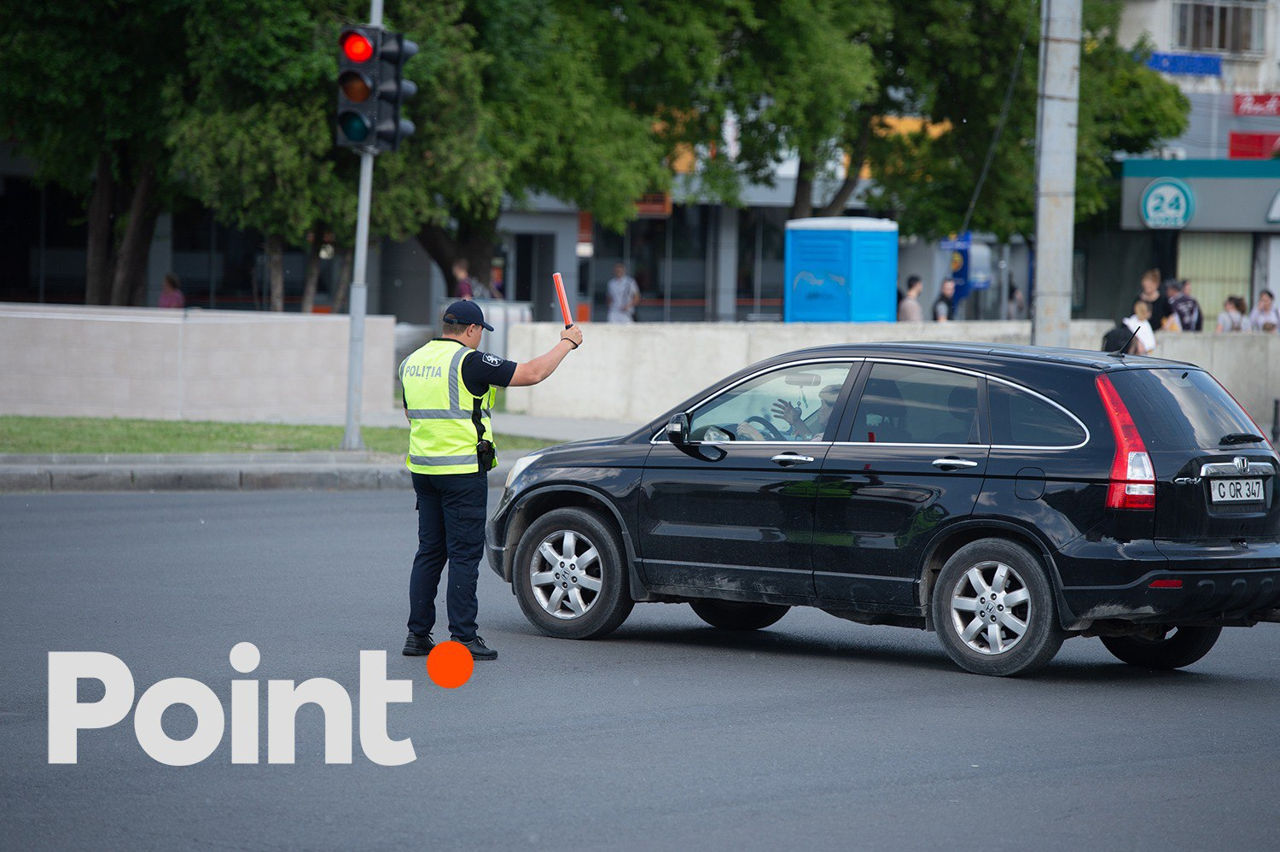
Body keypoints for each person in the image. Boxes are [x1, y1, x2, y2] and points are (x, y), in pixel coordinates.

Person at [400, 300, 584, 661]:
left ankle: (417, 636)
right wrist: (568, 343)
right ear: (471, 330)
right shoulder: (468, 360)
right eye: (481, 332)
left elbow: (411, 413)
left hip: (424, 471)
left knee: (429, 553)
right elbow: (531, 373)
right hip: (462, 472)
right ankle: (463, 638)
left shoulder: (413, 361)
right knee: (464, 556)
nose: (481, 339)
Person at [769, 384, 841, 441]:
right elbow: (810, 439)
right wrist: (797, 421)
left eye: (823, 404)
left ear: (836, 409)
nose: (820, 409)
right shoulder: (835, 436)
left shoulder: (823, 439)